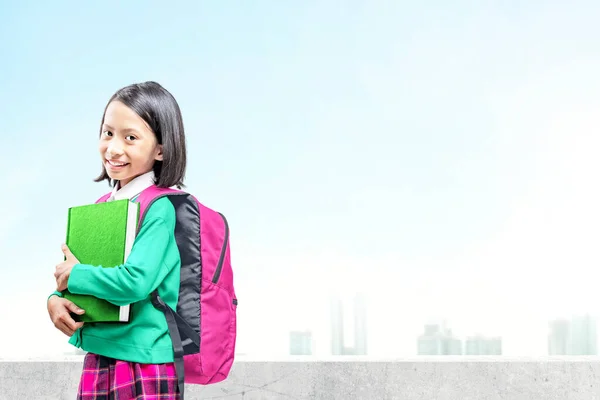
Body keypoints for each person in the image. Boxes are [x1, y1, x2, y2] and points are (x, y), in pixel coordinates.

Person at [47, 81, 187, 399]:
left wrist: (77, 275)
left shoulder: (161, 207)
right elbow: (77, 278)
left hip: (146, 361)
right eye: (108, 133)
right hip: (100, 353)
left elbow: (135, 283)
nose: (113, 148)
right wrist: (54, 300)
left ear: (162, 148)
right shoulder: (102, 207)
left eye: (131, 137)